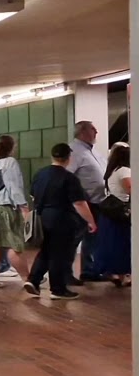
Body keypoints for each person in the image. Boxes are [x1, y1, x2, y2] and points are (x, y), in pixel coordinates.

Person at [25, 143, 97, 300]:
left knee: (46, 250)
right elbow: (79, 203)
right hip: (62, 219)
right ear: (68, 158)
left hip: (43, 217)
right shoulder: (69, 178)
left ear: (52, 156)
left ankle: (33, 280)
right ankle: (58, 289)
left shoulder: (40, 174)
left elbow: (32, 195)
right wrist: (90, 220)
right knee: (59, 254)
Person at [0, 135, 31, 289]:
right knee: (14, 245)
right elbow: (13, 187)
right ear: (12, 147)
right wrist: (24, 207)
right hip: (5, 208)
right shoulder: (9, 162)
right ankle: (28, 279)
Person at [68, 120, 107, 282]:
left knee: (92, 238)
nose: (96, 131)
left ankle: (89, 271)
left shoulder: (92, 151)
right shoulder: (74, 151)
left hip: (98, 202)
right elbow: (67, 176)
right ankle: (66, 274)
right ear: (82, 132)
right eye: (92, 129)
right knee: (75, 238)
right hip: (83, 203)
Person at [96, 143, 131, 287]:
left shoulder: (112, 171)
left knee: (114, 244)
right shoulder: (125, 171)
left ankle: (116, 273)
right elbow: (130, 189)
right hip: (122, 212)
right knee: (125, 244)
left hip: (111, 212)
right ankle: (125, 274)